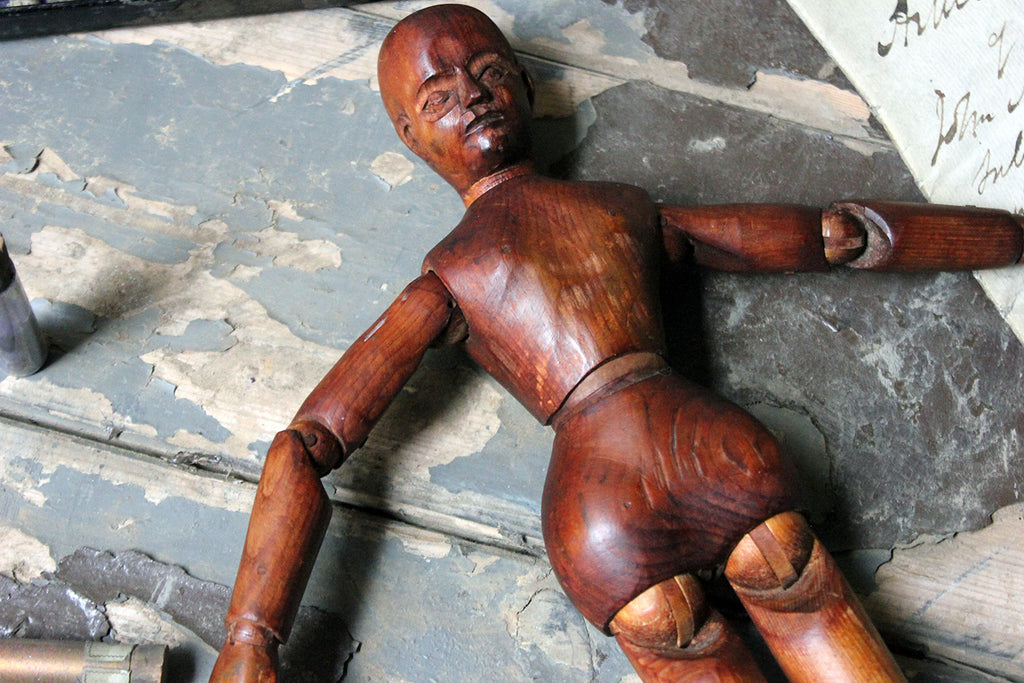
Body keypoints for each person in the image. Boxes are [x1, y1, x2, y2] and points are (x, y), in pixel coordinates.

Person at [210, 6, 1024, 682]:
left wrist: (1002, 234)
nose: (475, 97)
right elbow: (310, 443)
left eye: (489, 72)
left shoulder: (595, 221)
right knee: (784, 590)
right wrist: (250, 634)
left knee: (768, 590)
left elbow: (833, 235)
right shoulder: (472, 270)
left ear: (526, 86)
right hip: (668, 470)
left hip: (630, 495)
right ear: (410, 136)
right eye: (440, 96)